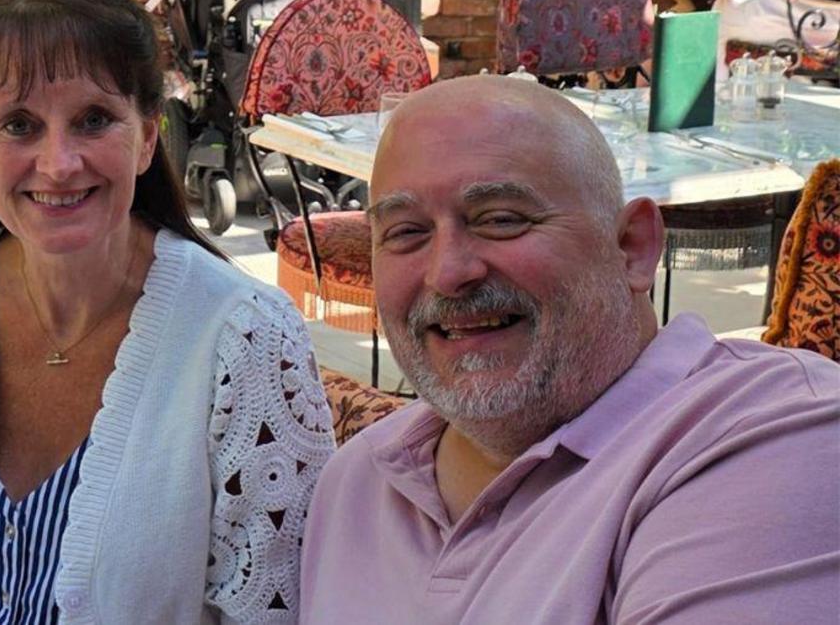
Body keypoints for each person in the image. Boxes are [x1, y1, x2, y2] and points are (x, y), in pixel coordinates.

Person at [0, 0, 334, 625]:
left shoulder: (245, 341)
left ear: (148, 135)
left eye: (93, 119)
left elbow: (267, 609)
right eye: (19, 124)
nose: (59, 163)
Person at [299, 76, 840, 623]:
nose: (448, 273)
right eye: (407, 233)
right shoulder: (358, 480)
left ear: (632, 247)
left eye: (501, 220)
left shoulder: (779, 436)